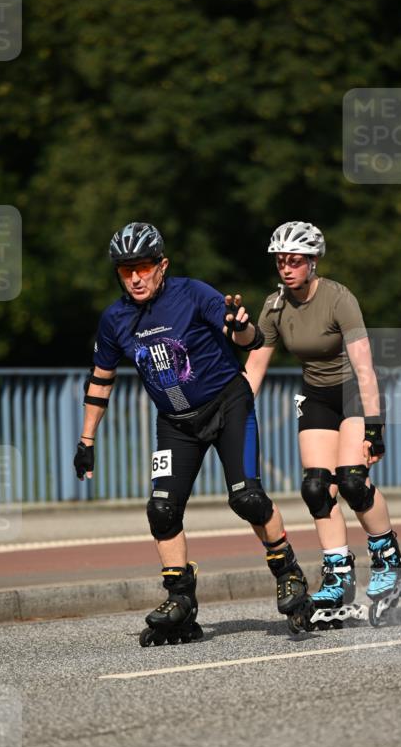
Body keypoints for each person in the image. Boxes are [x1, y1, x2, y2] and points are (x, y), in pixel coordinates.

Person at [74, 221, 312, 645]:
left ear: (162, 265)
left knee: (247, 498)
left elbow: (249, 338)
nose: (135, 277)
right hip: (175, 422)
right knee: (161, 510)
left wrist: (240, 324)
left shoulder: (193, 293)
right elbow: (101, 378)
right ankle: (180, 599)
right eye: (125, 269)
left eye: (143, 267)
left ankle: (288, 571)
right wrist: (86, 441)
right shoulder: (115, 319)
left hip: (227, 404)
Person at [244, 220, 401, 631]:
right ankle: (337, 574)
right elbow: (255, 368)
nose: (287, 268)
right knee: (316, 487)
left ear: (313, 262)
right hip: (316, 395)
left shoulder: (339, 299)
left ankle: (387, 558)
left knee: (352, 480)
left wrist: (374, 427)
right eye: (280, 261)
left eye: (295, 261)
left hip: (354, 389)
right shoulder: (274, 306)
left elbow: (365, 367)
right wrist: (232, 414)